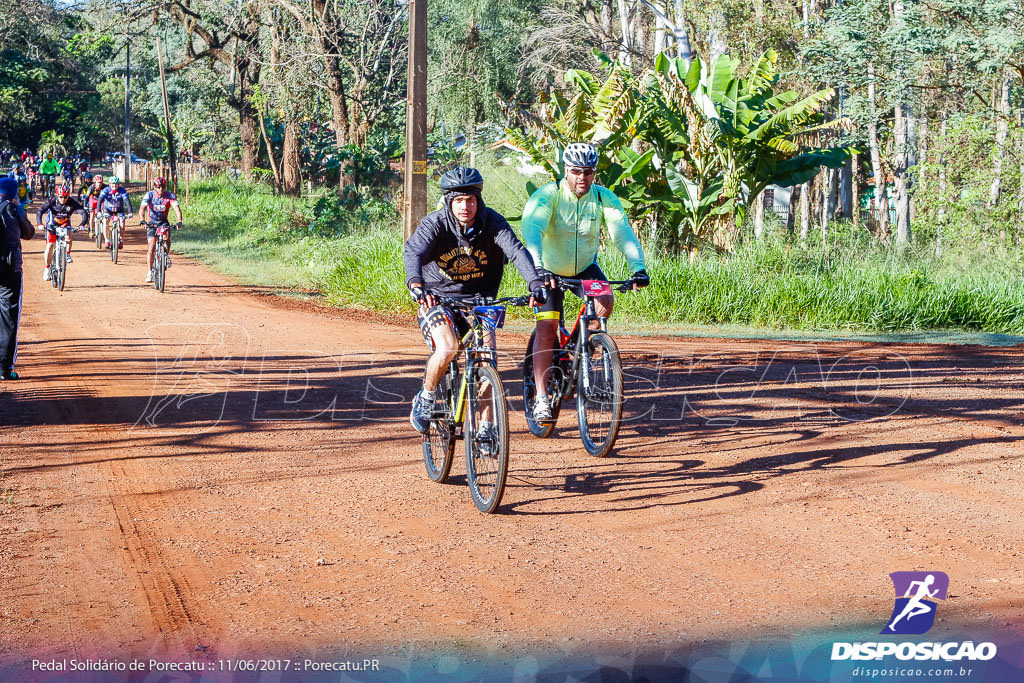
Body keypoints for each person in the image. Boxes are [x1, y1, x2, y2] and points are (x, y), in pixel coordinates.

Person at [404, 166, 546, 435]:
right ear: (449, 201)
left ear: (478, 200)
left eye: (470, 200)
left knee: (487, 360)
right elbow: (413, 252)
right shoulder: (435, 224)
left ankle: (487, 427)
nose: (465, 206)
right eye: (458, 200)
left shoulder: (493, 223)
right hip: (437, 297)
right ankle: (426, 397)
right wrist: (416, 284)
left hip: (481, 299)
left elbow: (516, 252)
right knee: (448, 348)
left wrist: (535, 282)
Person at [520, 142, 650, 422]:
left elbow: (622, 233)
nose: (582, 177)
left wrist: (638, 268)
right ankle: (542, 397)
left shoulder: (603, 198)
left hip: (584, 269)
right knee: (547, 325)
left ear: (594, 173)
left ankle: (584, 348)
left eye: (588, 172)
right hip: (549, 270)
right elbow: (533, 230)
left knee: (604, 303)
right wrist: (539, 268)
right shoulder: (549, 195)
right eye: (576, 171)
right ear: (566, 171)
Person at [0, 177, 35, 380]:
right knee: (9, 318)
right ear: (13, 193)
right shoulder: (15, 209)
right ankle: (4, 370)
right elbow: (29, 234)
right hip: (10, 271)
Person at [36, 184, 87, 280]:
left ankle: (67, 253)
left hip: (64, 223)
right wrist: (40, 223)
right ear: (57, 195)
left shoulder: (72, 202)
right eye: (61, 197)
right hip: (52, 224)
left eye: (65, 197)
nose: (63, 199)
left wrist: (82, 225)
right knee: (50, 245)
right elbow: (40, 211)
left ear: (68, 196)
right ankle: (47, 268)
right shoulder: (52, 201)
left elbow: (83, 213)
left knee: (69, 235)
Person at [139, 176, 182, 283]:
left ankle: (166, 255)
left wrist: (179, 221)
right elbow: (142, 209)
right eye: (158, 187)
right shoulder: (149, 195)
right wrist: (142, 220)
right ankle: (149, 272)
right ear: (154, 187)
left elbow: (177, 209)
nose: (160, 189)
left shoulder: (170, 196)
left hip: (163, 222)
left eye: (162, 187)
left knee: (167, 238)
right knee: (152, 246)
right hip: (152, 223)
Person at [96, 176, 133, 249]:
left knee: (122, 222)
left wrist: (130, 212)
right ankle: (107, 240)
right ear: (109, 184)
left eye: (116, 184)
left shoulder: (122, 190)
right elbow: (100, 200)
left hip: (119, 210)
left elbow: (127, 201)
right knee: (105, 221)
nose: (114, 185)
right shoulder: (105, 190)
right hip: (108, 210)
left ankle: (121, 240)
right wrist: (99, 212)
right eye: (112, 184)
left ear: (118, 184)